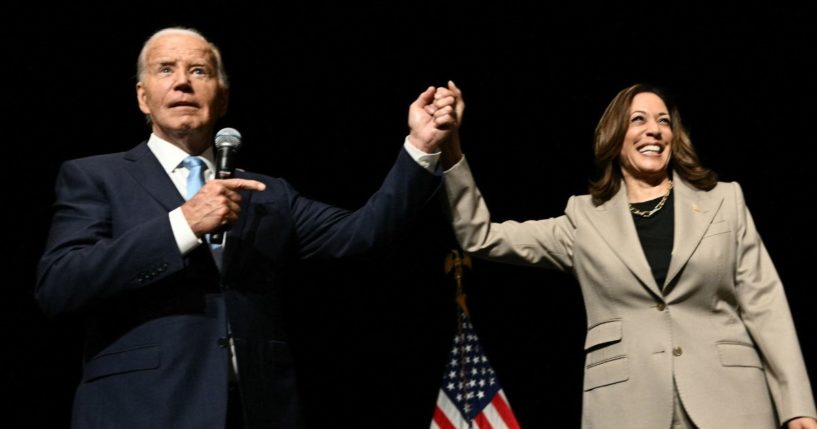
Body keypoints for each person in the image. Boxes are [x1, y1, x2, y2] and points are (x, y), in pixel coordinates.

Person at [35, 27, 458, 429]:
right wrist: (183, 224)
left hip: (257, 411)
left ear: (222, 99)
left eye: (199, 71)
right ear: (143, 98)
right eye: (166, 69)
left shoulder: (267, 193)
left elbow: (362, 233)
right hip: (141, 408)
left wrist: (420, 148)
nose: (182, 82)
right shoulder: (95, 177)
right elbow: (60, 283)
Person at [434, 82, 817, 428]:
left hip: (732, 403)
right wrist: (451, 146)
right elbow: (479, 235)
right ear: (614, 136)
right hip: (627, 408)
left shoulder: (724, 201)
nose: (654, 129)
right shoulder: (582, 220)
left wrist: (797, 405)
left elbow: (764, 303)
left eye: (663, 121)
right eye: (638, 119)